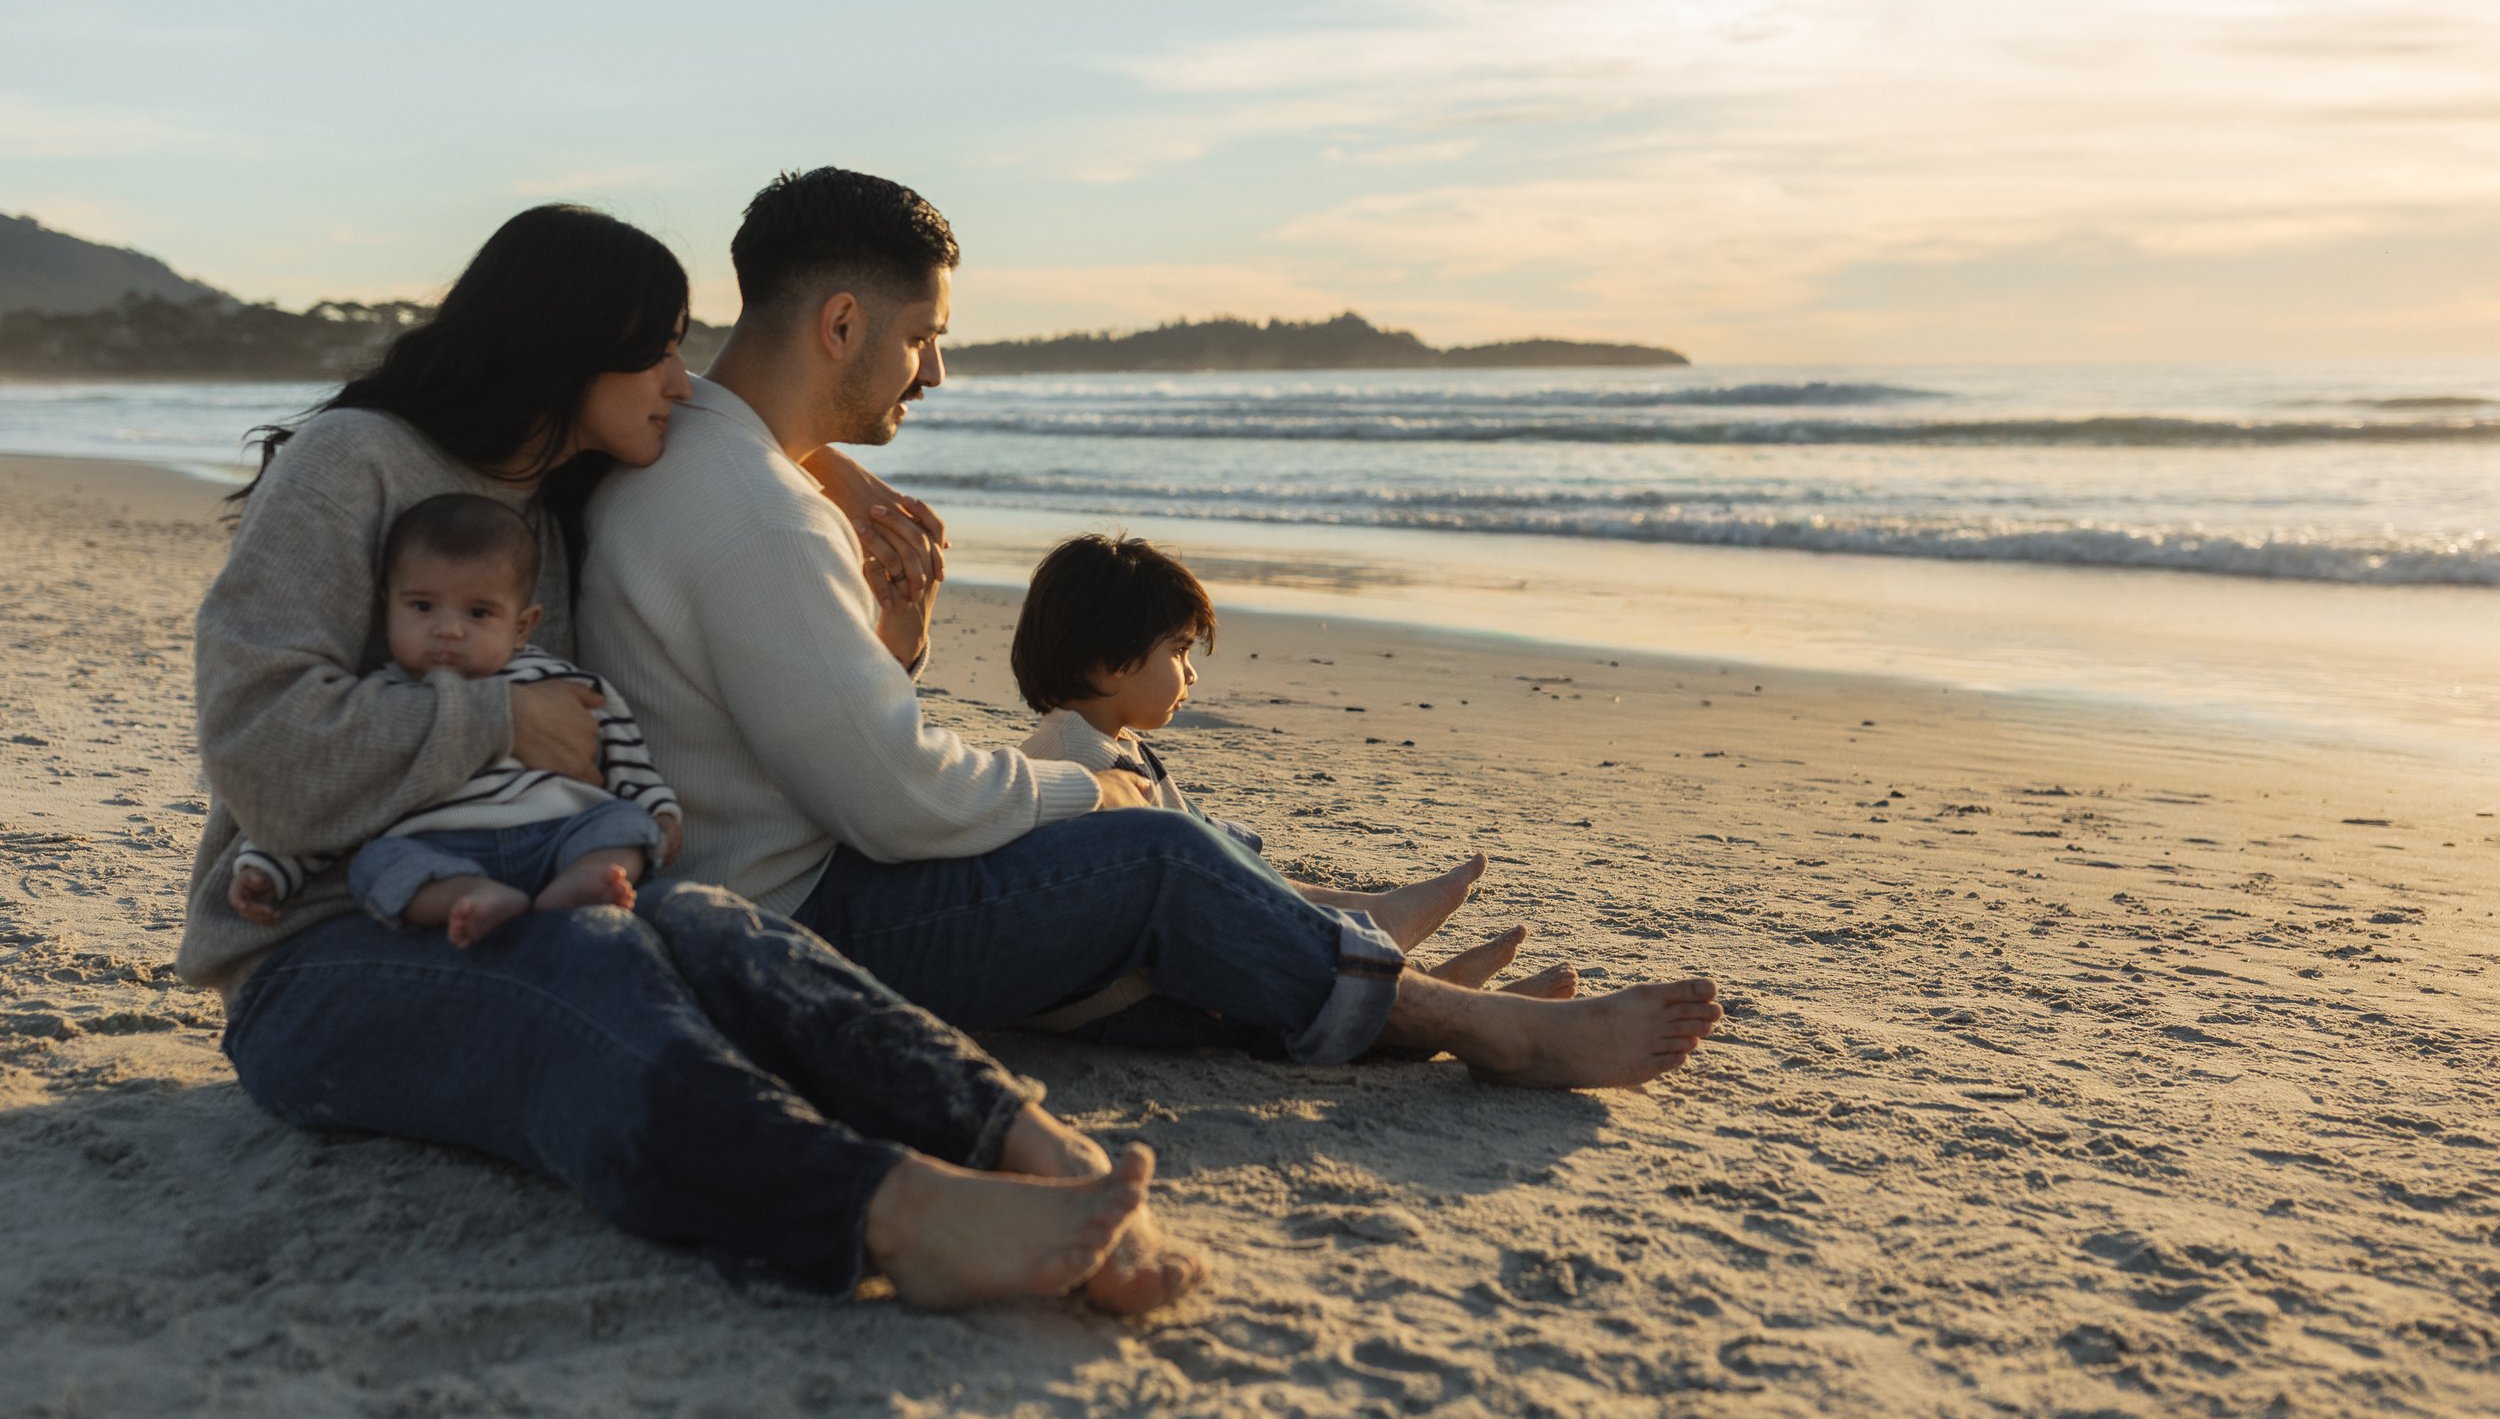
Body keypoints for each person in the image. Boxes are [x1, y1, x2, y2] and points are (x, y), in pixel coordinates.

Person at [178, 204, 1200, 1310]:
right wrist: (501, 723)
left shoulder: (551, 500)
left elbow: (735, 424)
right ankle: (896, 1211)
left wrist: (836, 477)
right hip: (319, 957)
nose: (681, 376)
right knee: (594, 974)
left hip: (524, 900)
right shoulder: (353, 462)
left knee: (713, 920)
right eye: (660, 345)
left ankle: (1031, 1145)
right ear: (571, 348)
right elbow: (256, 747)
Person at [580, 166, 1723, 1087]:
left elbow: (808, 728)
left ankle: (1387, 992)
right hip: (802, 917)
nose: (935, 367)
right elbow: (897, 796)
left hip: (766, 879)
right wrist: (1089, 791)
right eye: (924, 332)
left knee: (1130, 903)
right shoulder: (759, 512)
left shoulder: (698, 461)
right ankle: (1482, 1029)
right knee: (1155, 854)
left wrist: (896, 628)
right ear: (840, 321)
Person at [1010, 531, 1578, 1006]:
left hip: (1166, 945)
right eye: (1179, 651)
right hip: (1139, 993)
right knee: (1275, 970)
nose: (1192, 673)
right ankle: (1427, 990)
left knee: (1241, 868)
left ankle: (1379, 927)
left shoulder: (1108, 743)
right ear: (1110, 665)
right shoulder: (1074, 765)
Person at [227, 492, 683, 948]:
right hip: (438, 852)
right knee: (375, 865)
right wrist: (270, 866)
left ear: (522, 626)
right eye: (423, 607)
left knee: (625, 821)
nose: (448, 629)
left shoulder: (562, 684)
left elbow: (628, 758)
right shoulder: (380, 700)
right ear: (388, 606)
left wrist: (660, 811)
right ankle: (475, 899)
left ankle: (584, 882)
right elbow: (335, 801)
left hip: (561, 837)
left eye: (479, 613)